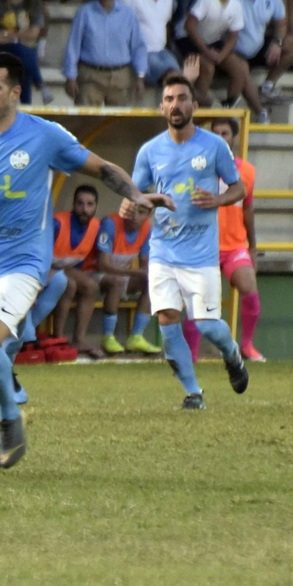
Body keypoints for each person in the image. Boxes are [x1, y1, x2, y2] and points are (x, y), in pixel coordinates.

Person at [0, 52, 162, 473]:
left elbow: (101, 168)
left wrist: (136, 195)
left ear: (15, 92)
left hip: (24, 262)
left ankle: (11, 416)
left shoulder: (44, 135)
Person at [133, 72, 249, 409]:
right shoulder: (150, 151)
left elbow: (238, 187)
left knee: (209, 326)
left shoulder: (214, 146)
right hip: (163, 252)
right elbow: (137, 194)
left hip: (201, 257)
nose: (176, 104)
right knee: (168, 321)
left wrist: (220, 200)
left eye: (182, 98)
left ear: (194, 105)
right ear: (161, 108)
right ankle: (193, 392)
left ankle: (232, 355)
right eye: (169, 99)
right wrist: (140, 205)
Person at [205, 115, 264, 359]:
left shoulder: (247, 171)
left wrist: (253, 246)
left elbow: (247, 208)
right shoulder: (200, 168)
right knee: (199, 301)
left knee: (249, 288)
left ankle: (247, 346)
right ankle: (192, 353)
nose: (220, 138)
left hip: (234, 245)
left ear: (233, 138)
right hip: (204, 245)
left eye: (225, 133)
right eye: (215, 133)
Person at [185, 0, 264, 118]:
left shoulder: (235, 5)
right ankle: (198, 108)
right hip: (192, 41)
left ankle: (229, 105)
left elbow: (233, 36)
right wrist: (206, 51)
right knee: (207, 67)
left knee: (241, 67)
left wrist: (221, 55)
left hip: (215, 42)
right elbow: (189, 26)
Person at [64, 0, 146, 107]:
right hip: (91, 76)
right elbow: (73, 45)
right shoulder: (85, 12)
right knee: (86, 122)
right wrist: (70, 76)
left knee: (118, 124)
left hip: (120, 76)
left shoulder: (129, 14)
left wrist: (140, 76)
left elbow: (138, 46)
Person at [50, 184, 108, 357]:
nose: (84, 209)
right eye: (80, 204)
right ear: (73, 204)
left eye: (90, 204)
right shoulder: (57, 223)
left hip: (67, 269)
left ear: (96, 206)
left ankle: (79, 339)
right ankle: (58, 337)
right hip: (46, 268)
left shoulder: (96, 226)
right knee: (69, 285)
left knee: (91, 286)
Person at [96, 198, 154, 356]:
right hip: (95, 274)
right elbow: (103, 264)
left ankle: (136, 337)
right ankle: (108, 337)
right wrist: (137, 272)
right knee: (118, 281)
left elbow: (144, 265)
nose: (134, 216)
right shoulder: (110, 223)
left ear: (148, 215)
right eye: (132, 210)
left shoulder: (146, 228)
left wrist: (150, 274)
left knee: (153, 282)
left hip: (122, 275)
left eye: (141, 212)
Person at [234, 0, 293, 105]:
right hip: (234, 52)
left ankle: (268, 86)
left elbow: (281, 23)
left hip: (260, 49)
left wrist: (277, 42)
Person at [121, 0, 178, 83]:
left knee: (182, 78)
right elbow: (117, 25)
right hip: (140, 52)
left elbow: (166, 22)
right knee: (174, 78)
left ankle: (212, 102)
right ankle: (211, 102)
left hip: (161, 51)